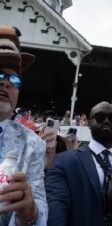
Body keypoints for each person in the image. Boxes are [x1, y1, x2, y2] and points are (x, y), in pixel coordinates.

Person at [45, 101, 112, 226]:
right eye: (100, 117)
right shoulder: (65, 162)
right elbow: (56, 212)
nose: (107, 121)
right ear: (89, 123)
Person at [0, 25, 47, 225]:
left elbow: (40, 212)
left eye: (14, 79)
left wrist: (29, 214)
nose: (6, 83)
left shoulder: (33, 144)